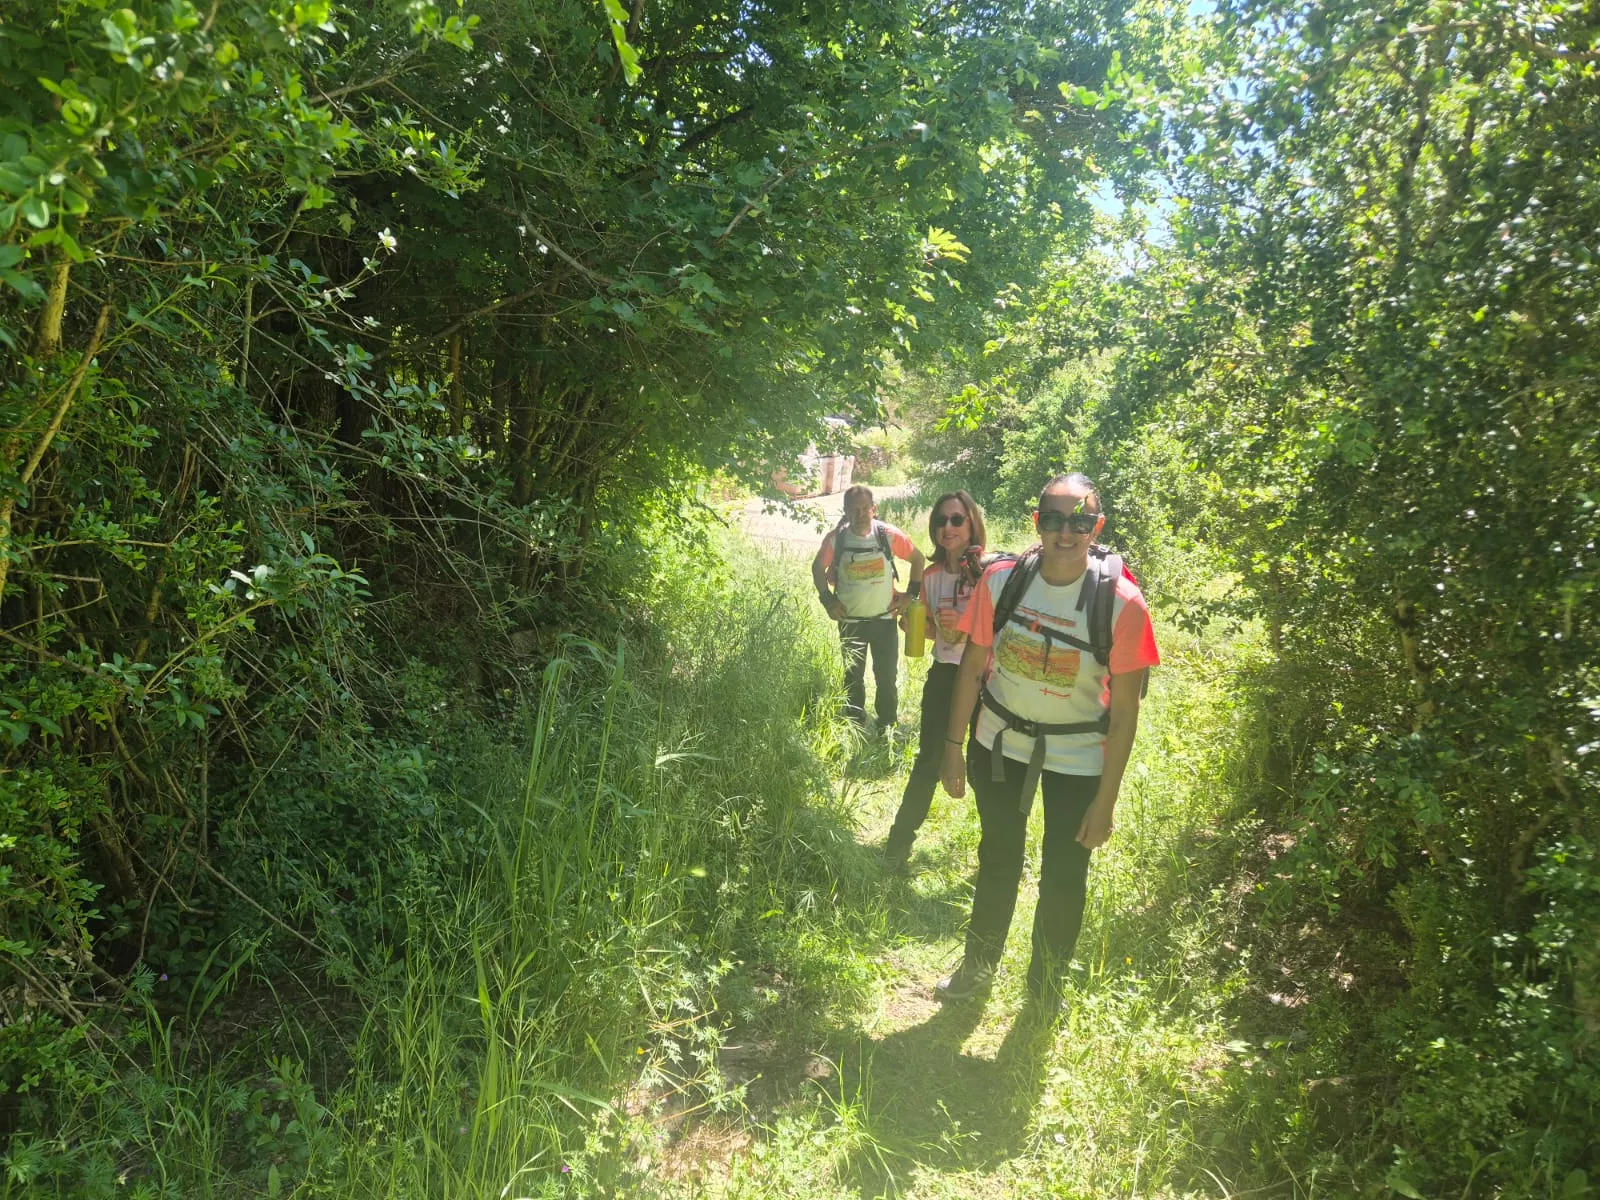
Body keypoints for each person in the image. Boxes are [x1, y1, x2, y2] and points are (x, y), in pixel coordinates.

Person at [933, 473, 1159, 1010]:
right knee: (998, 856)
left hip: (1078, 760)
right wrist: (951, 744)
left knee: (1064, 874)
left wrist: (1106, 801)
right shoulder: (1002, 581)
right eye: (1054, 519)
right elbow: (972, 667)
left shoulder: (1123, 604)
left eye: (1079, 520)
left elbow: (1126, 712)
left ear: (1096, 527)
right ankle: (979, 966)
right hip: (998, 744)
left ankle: (1045, 988)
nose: (1066, 532)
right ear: (1038, 522)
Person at [883, 490, 989, 870]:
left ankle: (996, 856)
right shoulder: (929, 576)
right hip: (945, 675)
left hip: (986, 680)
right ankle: (897, 845)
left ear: (972, 523)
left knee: (984, 767)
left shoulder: (988, 572)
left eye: (957, 519)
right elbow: (927, 628)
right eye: (941, 521)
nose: (948, 527)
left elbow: (1003, 627)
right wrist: (913, 618)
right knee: (929, 759)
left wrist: (964, 626)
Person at [812, 485, 926, 734]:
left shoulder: (887, 534)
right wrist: (828, 601)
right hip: (850, 622)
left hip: (883, 620)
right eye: (854, 510)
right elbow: (817, 569)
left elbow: (918, 559)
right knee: (853, 676)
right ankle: (854, 724)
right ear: (846, 511)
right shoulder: (837, 539)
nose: (861, 514)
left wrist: (911, 594)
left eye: (865, 509)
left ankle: (887, 724)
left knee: (886, 676)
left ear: (874, 509)